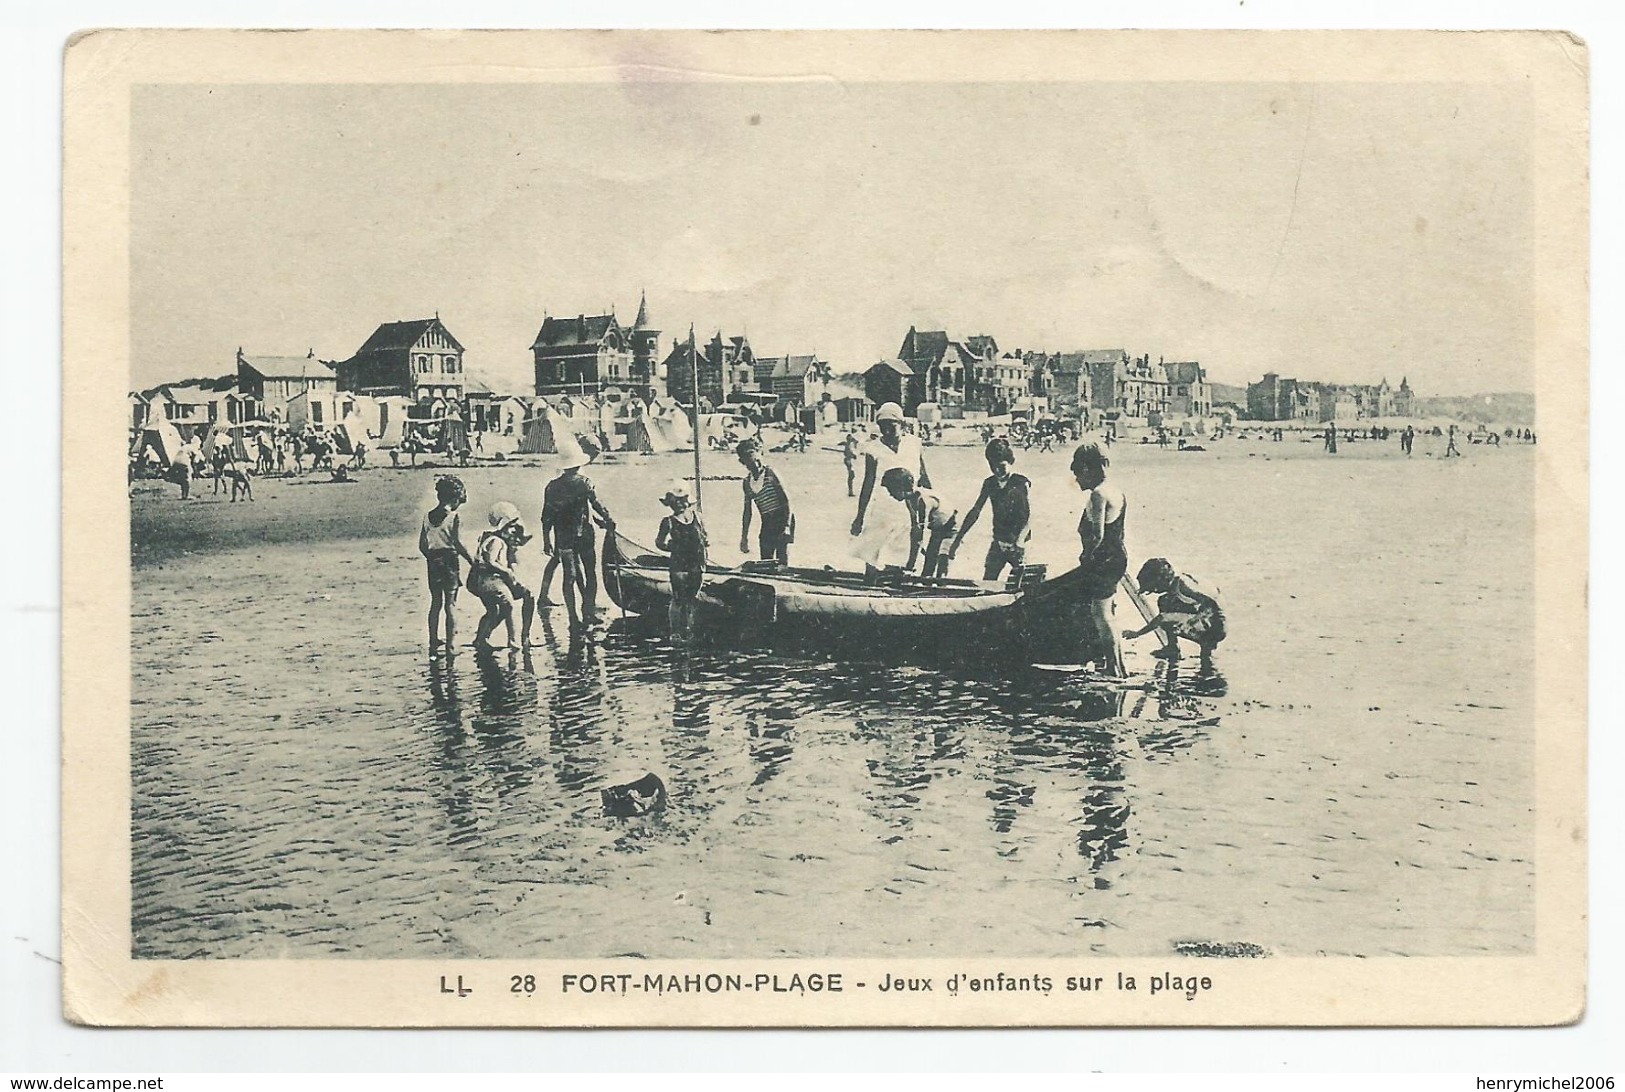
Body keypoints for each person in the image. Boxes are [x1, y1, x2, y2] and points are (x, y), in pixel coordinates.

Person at [850, 402, 931, 572]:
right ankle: (870, 585)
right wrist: (859, 517)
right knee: (873, 552)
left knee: (906, 551)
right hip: (884, 507)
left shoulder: (915, 443)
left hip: (911, 507)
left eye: (891, 426)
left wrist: (932, 505)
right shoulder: (873, 449)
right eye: (882, 426)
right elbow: (868, 483)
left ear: (901, 424)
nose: (886, 430)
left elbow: (923, 476)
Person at [1071, 440, 1127, 676]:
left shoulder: (1098, 495)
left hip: (1103, 561)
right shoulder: (1115, 490)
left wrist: (1086, 556)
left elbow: (1097, 535)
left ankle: (1113, 669)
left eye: (1077, 473)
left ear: (1086, 469)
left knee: (1101, 615)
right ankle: (1116, 665)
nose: (1076, 480)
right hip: (1115, 558)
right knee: (1107, 614)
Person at [541, 451, 614, 633]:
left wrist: (546, 540)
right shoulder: (585, 483)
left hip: (563, 536)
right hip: (585, 534)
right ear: (578, 465)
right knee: (590, 573)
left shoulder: (552, 487)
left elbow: (546, 516)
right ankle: (588, 611)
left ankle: (573, 618)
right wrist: (608, 519)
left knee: (569, 576)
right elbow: (596, 504)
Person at [949, 437, 1033, 582]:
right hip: (998, 541)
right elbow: (975, 511)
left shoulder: (1020, 482)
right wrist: (958, 539)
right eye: (992, 466)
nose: (996, 470)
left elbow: (1027, 517)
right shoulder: (990, 483)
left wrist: (1019, 542)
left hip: (1018, 543)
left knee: (1022, 582)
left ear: (1011, 461)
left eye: (1001, 466)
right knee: (988, 581)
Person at [1121, 558, 1227, 672]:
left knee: (1166, 617)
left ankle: (1206, 650)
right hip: (1209, 620)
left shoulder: (1185, 587)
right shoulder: (1177, 583)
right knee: (1165, 601)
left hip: (1216, 626)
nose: (1155, 591)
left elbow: (1213, 605)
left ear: (1162, 581)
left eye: (1154, 589)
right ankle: (1173, 648)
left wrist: (1137, 633)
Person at [419, 474, 474, 649]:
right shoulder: (454, 516)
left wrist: (432, 557)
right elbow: (458, 543)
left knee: (435, 603)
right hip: (449, 560)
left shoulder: (427, 516)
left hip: (433, 561)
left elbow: (422, 545)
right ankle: (450, 644)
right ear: (455, 498)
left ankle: (433, 640)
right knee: (451, 604)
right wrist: (472, 561)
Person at [469, 501, 531, 649]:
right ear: (502, 526)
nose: (513, 531)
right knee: (508, 605)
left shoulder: (490, 538)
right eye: (510, 527)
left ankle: (481, 638)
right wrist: (507, 571)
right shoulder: (496, 541)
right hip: (490, 580)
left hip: (480, 581)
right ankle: (513, 640)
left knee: (493, 611)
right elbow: (490, 561)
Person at [881, 467, 957, 578]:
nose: (890, 494)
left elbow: (920, 533)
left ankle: (941, 584)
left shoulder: (923, 499)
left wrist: (910, 566)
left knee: (942, 559)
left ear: (902, 488)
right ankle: (927, 581)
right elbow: (915, 530)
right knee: (928, 565)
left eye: (891, 490)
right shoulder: (909, 499)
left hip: (952, 528)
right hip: (937, 531)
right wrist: (910, 564)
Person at [655, 481, 708, 639]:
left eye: (681, 500)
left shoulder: (697, 517)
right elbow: (659, 542)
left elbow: (705, 535)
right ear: (670, 503)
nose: (678, 504)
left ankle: (690, 630)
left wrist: (705, 542)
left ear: (687, 500)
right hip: (679, 564)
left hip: (697, 563)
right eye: (674, 501)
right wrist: (672, 548)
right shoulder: (668, 522)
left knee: (693, 598)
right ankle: (676, 632)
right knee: (678, 598)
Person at [737, 437, 794, 564]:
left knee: (781, 558)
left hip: (782, 517)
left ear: (760, 453)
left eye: (757, 460)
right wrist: (744, 537)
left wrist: (787, 527)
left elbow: (787, 501)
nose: (756, 465)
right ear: (743, 462)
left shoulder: (771, 474)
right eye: (751, 463)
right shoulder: (747, 483)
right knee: (766, 558)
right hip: (767, 521)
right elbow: (747, 513)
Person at [841, 430, 860, 497]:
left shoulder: (849, 445)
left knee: (851, 476)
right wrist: (853, 456)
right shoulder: (848, 445)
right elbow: (847, 453)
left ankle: (850, 491)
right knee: (851, 476)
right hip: (848, 461)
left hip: (849, 461)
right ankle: (850, 491)